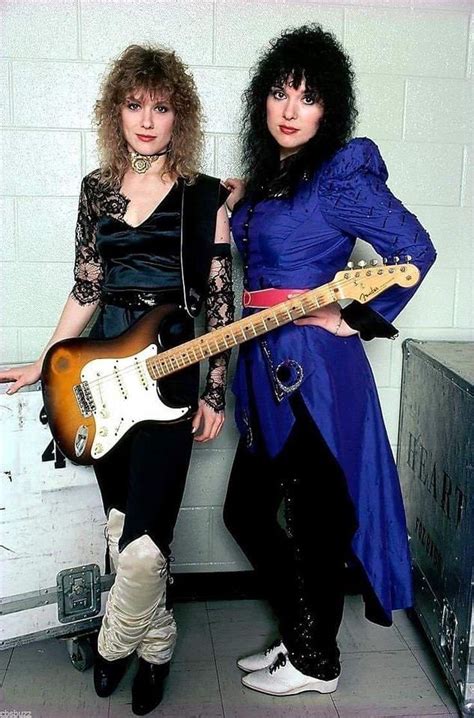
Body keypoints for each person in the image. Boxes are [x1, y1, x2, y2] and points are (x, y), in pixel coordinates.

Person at [0, 45, 233, 715]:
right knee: (121, 524)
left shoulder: (204, 196)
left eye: (161, 108)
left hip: (172, 377)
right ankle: (157, 644)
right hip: (104, 375)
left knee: (141, 549)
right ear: (117, 111)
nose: (147, 121)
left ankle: (113, 643)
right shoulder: (97, 189)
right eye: (135, 106)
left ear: (178, 115)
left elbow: (220, 303)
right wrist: (51, 361)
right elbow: (87, 288)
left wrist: (215, 387)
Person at [223, 24, 436, 697]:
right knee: (250, 511)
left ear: (328, 109)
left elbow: (414, 250)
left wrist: (348, 320)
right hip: (262, 364)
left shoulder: (338, 178)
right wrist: (230, 203)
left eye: (308, 98)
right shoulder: (272, 180)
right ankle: (299, 637)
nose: (291, 110)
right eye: (281, 93)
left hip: (313, 370)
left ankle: (317, 660)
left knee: (315, 516)